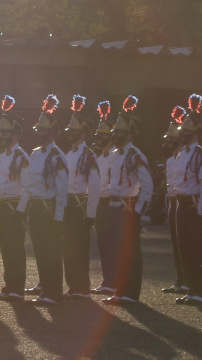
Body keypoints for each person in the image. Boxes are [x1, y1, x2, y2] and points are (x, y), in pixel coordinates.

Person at [18, 94, 68, 305]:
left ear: (52, 131)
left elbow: (62, 189)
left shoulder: (58, 156)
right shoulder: (36, 154)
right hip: (36, 209)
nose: (38, 133)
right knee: (39, 250)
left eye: (43, 130)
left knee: (51, 252)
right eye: (37, 129)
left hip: (49, 210)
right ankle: (45, 289)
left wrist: (58, 217)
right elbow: (30, 183)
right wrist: (21, 208)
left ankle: (54, 292)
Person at [102, 96, 153, 306]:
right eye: (115, 131)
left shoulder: (135, 155)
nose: (115, 134)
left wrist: (138, 210)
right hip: (114, 206)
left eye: (120, 131)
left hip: (129, 207)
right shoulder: (114, 154)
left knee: (130, 252)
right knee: (116, 250)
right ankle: (120, 292)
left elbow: (147, 186)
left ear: (130, 132)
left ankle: (131, 294)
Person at [172, 94, 202, 306]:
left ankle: (201, 291)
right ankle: (191, 289)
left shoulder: (200, 154)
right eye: (182, 130)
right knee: (185, 249)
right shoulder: (182, 154)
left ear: (196, 132)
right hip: (182, 204)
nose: (183, 134)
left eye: (187, 131)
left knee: (197, 250)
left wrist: (201, 213)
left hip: (194, 206)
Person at [0, 95, 29, 302]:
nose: (1, 135)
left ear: (15, 134)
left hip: (14, 206)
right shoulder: (2, 156)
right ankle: (9, 285)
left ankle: (17, 288)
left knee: (15, 248)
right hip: (2, 207)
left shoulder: (21, 156)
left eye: (5, 131)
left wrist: (20, 210)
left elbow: (28, 186)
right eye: (0, 131)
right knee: (6, 247)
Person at [63, 95, 100, 299]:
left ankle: (82, 287)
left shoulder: (88, 155)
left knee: (79, 249)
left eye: (74, 130)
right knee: (68, 248)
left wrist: (91, 213)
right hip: (68, 204)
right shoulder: (69, 154)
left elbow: (94, 185)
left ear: (83, 132)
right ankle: (73, 285)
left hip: (80, 205)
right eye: (70, 130)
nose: (70, 133)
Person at [160, 106, 188, 295]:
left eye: (172, 138)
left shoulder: (187, 156)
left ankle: (188, 280)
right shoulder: (171, 159)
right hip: (172, 203)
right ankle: (180, 279)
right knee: (176, 244)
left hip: (184, 203)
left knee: (186, 244)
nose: (169, 142)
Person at [91, 101, 117, 296]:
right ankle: (108, 279)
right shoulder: (100, 157)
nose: (98, 138)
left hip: (111, 204)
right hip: (101, 204)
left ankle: (113, 280)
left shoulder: (116, 156)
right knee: (103, 244)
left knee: (111, 243)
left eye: (102, 135)